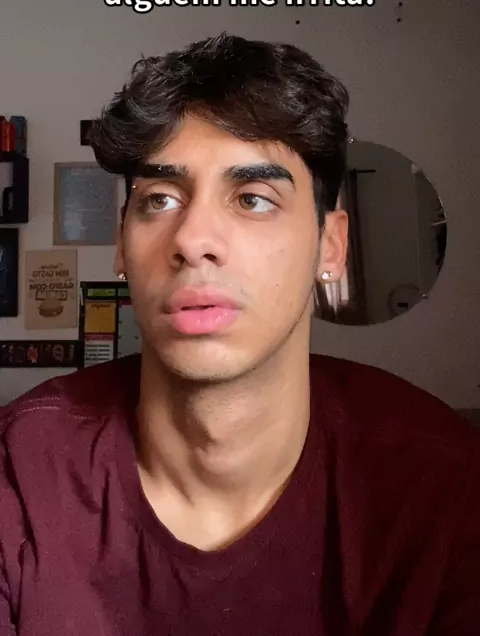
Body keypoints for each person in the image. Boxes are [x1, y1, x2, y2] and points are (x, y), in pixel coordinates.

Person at [0, 33, 479, 636]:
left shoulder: (447, 484)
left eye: (253, 199)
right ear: (121, 244)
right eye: (160, 199)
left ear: (330, 246)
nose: (192, 239)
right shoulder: (21, 471)